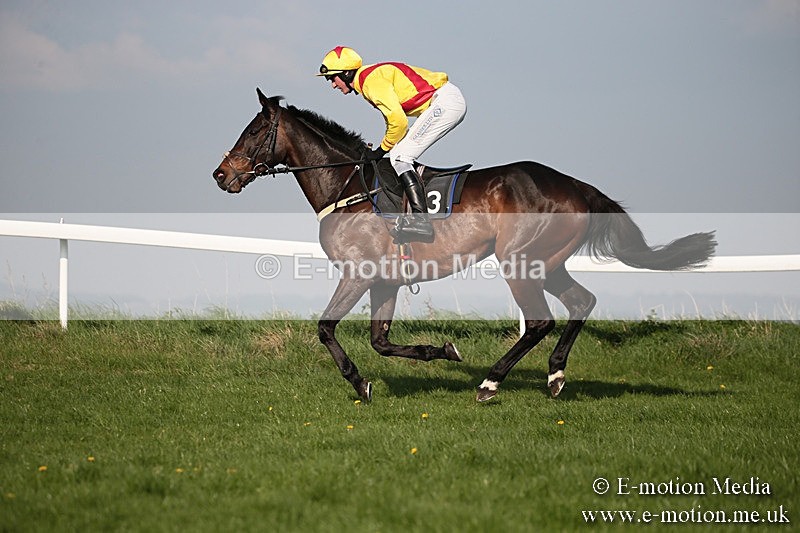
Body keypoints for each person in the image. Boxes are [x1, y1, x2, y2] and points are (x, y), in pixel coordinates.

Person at [317, 46, 466, 240]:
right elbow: (394, 122)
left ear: (346, 74)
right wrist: (386, 146)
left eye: (332, 78)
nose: (333, 85)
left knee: (399, 156)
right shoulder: (368, 80)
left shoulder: (370, 82)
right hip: (443, 102)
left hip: (445, 104)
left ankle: (421, 220)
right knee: (400, 152)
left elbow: (398, 121)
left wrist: (381, 150)